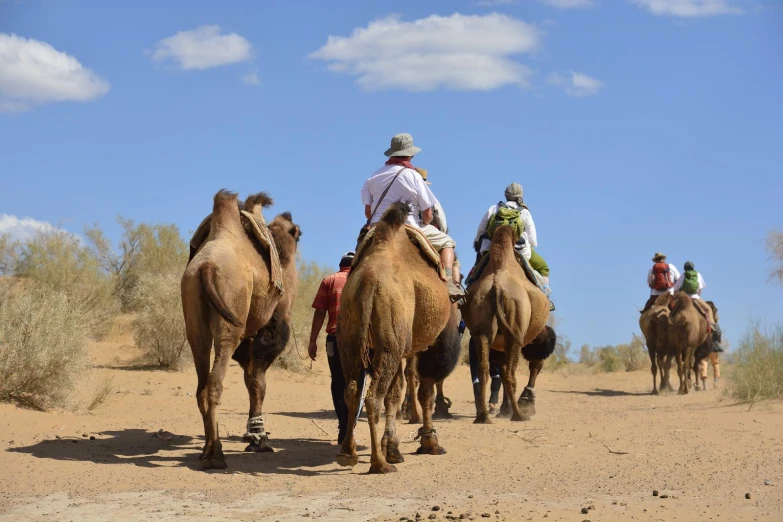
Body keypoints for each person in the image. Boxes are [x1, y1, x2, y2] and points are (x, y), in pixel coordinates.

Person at [361, 133, 463, 299]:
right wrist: (425, 222)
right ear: (410, 154)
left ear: (392, 152)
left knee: (359, 250)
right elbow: (428, 213)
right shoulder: (414, 176)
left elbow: (368, 212)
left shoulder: (373, 176)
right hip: (408, 226)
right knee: (447, 242)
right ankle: (450, 282)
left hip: (377, 227)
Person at [308, 251, 367, 444]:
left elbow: (319, 313)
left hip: (334, 340)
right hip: (359, 341)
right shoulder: (364, 280)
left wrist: (312, 341)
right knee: (357, 382)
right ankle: (351, 427)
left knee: (338, 382)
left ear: (341, 263)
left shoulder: (329, 280)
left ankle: (343, 426)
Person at [474, 183, 537, 261]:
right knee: (543, 267)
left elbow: (481, 229)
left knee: (477, 269)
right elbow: (533, 240)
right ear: (521, 195)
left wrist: (477, 241)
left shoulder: (494, 208)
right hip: (520, 250)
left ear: (506, 195)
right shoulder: (525, 212)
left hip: (489, 248)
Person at [673, 261, 724, 352]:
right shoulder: (698, 275)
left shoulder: (683, 275)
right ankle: (712, 326)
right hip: (696, 298)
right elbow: (700, 288)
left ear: (685, 268)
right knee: (708, 309)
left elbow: (676, 288)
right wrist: (697, 296)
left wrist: (678, 296)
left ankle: (670, 324)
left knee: (673, 310)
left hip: (684, 298)